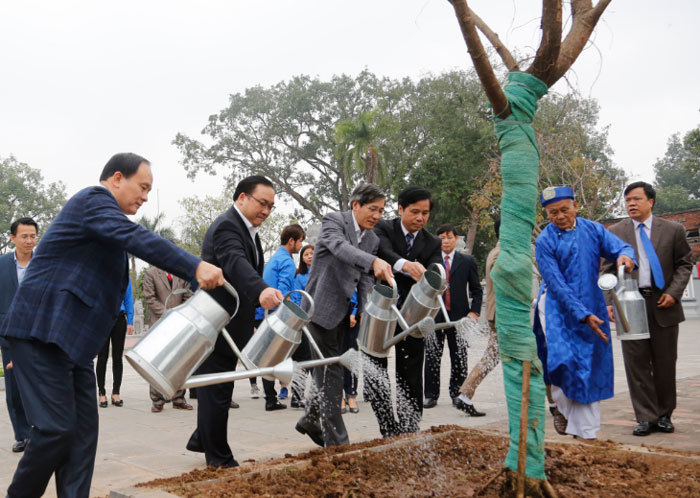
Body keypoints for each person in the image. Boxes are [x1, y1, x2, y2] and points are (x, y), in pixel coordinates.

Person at [0, 153, 224, 497]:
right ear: (117, 178)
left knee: (84, 434)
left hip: (72, 347)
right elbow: (139, 239)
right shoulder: (93, 201)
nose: (146, 197)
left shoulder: (106, 225)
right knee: (56, 429)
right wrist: (194, 266)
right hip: (41, 334)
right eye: (143, 187)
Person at [186, 175, 284, 468]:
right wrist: (261, 289)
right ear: (241, 197)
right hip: (215, 321)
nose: (266, 211)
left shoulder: (249, 230)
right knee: (215, 389)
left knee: (220, 387)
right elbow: (234, 263)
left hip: (232, 321)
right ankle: (218, 458)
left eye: (271, 206)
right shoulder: (228, 225)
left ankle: (201, 438)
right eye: (262, 203)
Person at [295, 183, 393, 447]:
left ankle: (311, 419)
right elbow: (340, 248)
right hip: (319, 308)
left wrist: (365, 309)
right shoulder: (333, 221)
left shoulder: (372, 239)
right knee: (333, 370)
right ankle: (338, 442)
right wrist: (374, 262)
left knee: (326, 370)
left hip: (344, 313)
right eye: (372, 209)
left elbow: (363, 279)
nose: (377, 216)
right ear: (355, 205)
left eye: (381, 211)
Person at [533, 186, 635, 440]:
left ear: (575, 206)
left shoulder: (593, 229)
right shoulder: (545, 240)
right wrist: (581, 313)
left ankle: (586, 433)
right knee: (562, 364)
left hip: (592, 306)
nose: (560, 216)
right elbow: (555, 283)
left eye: (564, 210)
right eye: (552, 212)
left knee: (590, 367)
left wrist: (625, 256)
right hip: (557, 311)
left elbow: (620, 247)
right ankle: (561, 410)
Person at [602, 181, 693, 436]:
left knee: (665, 363)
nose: (631, 203)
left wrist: (674, 294)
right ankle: (645, 416)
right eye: (627, 200)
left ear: (650, 201)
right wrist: (610, 302)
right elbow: (606, 270)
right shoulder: (616, 231)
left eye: (636, 199)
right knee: (636, 363)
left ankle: (664, 415)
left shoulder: (673, 230)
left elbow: (685, 264)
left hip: (663, 302)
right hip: (629, 303)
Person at [368, 186, 442, 437]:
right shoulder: (383, 229)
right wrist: (404, 265)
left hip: (413, 315)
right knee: (376, 368)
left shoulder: (432, 242)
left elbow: (437, 270)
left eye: (425, 213)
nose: (421, 218)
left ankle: (410, 427)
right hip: (382, 310)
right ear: (400, 209)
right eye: (414, 212)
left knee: (411, 371)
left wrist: (436, 278)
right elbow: (382, 252)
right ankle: (387, 427)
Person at [424, 223, 483, 414]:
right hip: (435, 317)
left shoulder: (466, 261)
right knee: (432, 356)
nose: (446, 241)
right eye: (441, 237)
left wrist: (474, 312)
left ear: (456, 239)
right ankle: (430, 395)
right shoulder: (430, 262)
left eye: (449, 237)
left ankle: (457, 395)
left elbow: (476, 290)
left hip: (460, 318)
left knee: (459, 357)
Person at [253, 223, 306, 411]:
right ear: (291, 241)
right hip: (279, 315)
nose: (301, 245)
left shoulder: (275, 258)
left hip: (265, 314)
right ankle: (297, 397)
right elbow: (284, 292)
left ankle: (270, 399)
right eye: (300, 241)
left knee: (268, 357)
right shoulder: (287, 261)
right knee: (303, 354)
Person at [456, 218, 501, 414]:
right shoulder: (500, 255)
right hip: (503, 316)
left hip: (500, 315)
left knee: (491, 356)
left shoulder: (500, 252)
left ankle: (464, 394)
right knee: (492, 356)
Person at [0, 217, 37, 453]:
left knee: (38, 386)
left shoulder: (44, 262)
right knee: (14, 389)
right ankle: (23, 435)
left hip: (38, 333)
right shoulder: (2, 264)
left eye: (33, 236)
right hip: (9, 334)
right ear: (13, 238)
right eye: (24, 236)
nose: (29, 240)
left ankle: (41, 433)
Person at [142, 266, 194, 412]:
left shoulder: (181, 272)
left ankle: (179, 398)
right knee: (158, 362)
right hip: (159, 323)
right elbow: (149, 297)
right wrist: (166, 313)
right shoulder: (151, 273)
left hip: (179, 322)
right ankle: (157, 400)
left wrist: (179, 313)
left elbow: (188, 295)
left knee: (179, 361)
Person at [96, 279, 134, 408]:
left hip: (119, 319)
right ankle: (101, 393)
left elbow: (129, 299)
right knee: (102, 357)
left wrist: (130, 321)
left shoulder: (125, 279)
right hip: (101, 319)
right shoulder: (98, 275)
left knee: (118, 358)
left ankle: (116, 392)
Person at [289, 244, 314, 409]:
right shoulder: (299, 276)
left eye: (313, 253)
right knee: (302, 360)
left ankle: (316, 394)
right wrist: (303, 318)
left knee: (317, 360)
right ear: (302, 258)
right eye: (307, 254)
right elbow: (297, 298)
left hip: (320, 322)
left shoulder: (322, 274)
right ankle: (296, 396)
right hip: (304, 322)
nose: (310, 256)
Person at [341, 290, 360, 414]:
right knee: (336, 357)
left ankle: (351, 394)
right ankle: (339, 396)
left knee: (351, 355)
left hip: (353, 311)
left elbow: (361, 291)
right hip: (333, 312)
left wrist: (353, 313)